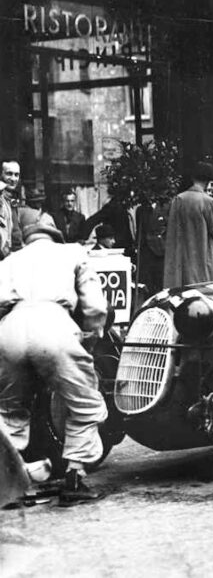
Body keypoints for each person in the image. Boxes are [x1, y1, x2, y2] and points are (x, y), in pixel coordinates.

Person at [0, 214, 109, 505]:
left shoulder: (10, 260)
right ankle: (75, 477)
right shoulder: (73, 251)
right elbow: (95, 306)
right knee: (85, 403)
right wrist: (91, 335)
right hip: (53, 323)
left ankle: (8, 487)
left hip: (10, 327)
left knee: (9, 409)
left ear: (26, 240)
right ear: (56, 236)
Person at [163, 162, 213, 288]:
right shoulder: (208, 201)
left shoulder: (179, 199)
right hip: (205, 258)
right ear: (208, 180)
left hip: (183, 258)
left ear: (192, 178)